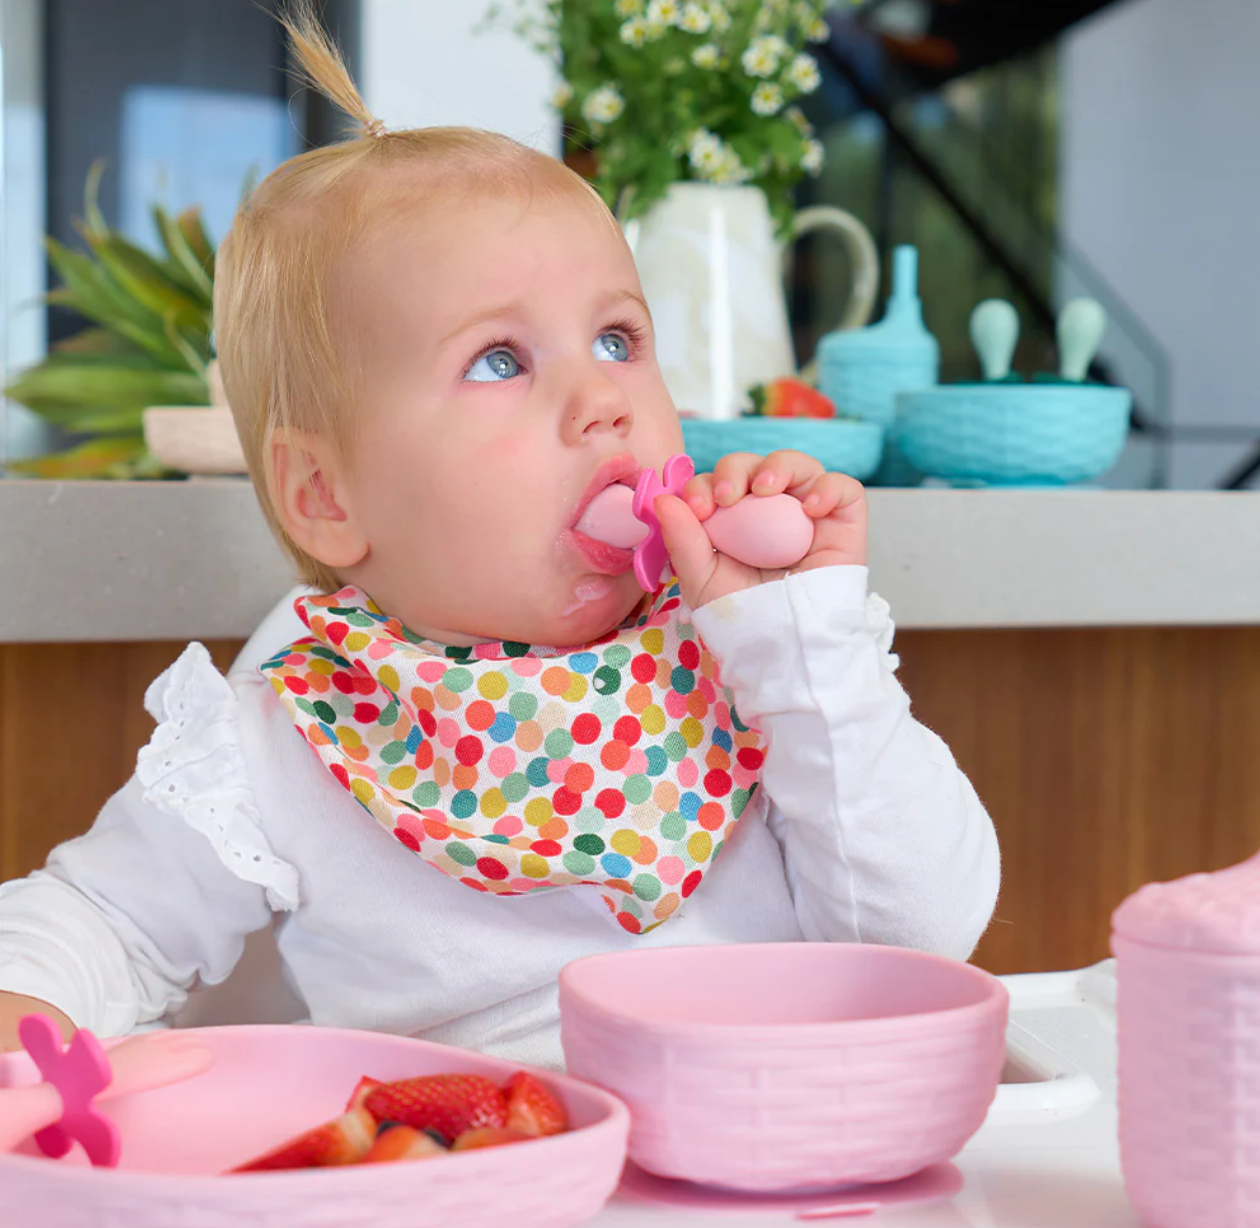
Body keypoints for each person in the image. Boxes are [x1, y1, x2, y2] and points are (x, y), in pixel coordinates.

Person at [0, 5, 998, 1068]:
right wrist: (28, 1022)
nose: (602, 400)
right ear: (326, 496)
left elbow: (923, 937)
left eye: (618, 338)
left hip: (791, 1152)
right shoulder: (286, 734)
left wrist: (805, 641)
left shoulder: (743, 654)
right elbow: (100, 921)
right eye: (499, 360)